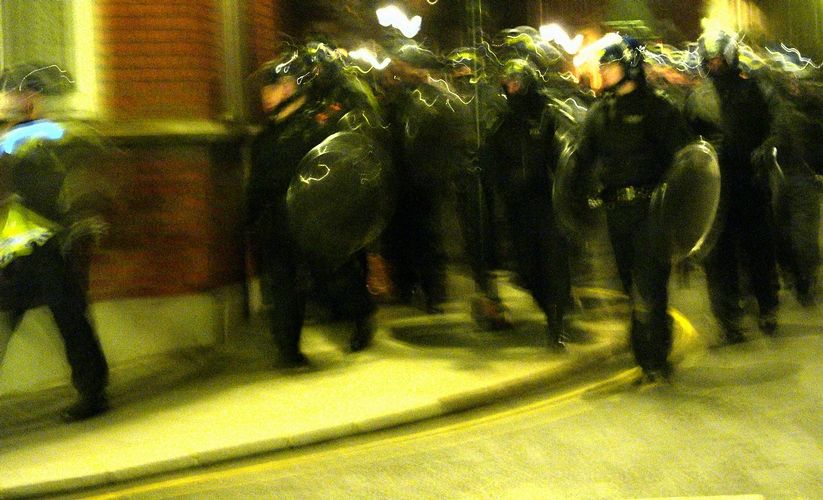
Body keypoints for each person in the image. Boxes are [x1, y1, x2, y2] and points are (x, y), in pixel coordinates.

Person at [246, 44, 381, 367]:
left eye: (273, 87)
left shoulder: (320, 127)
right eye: (265, 88)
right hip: (277, 224)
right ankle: (289, 351)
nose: (266, 95)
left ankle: (362, 315)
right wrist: (250, 220)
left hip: (315, 221)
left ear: (292, 86)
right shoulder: (267, 136)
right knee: (282, 289)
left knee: (332, 278)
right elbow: (258, 184)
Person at [573, 37, 691, 381]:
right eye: (603, 67)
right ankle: (654, 338)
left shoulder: (658, 110)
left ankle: (652, 360)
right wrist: (576, 193)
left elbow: (685, 160)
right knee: (631, 286)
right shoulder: (599, 113)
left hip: (651, 212)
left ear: (630, 67)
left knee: (647, 286)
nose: (604, 72)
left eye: (610, 66)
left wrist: (679, 211)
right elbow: (582, 158)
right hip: (616, 214)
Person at [0, 64, 110, 421]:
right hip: (16, 248)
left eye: (17, 94)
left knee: (70, 317)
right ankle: (93, 389)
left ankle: (93, 392)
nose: (11, 100)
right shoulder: (12, 138)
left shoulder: (49, 137)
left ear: (34, 97)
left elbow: (62, 185)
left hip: (50, 245)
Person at [684, 31, 784, 342]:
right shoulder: (696, 98)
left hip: (750, 182)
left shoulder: (755, 90)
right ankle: (727, 317)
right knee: (719, 257)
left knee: (760, 250)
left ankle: (767, 306)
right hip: (715, 189)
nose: (714, 65)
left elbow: (778, 122)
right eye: (710, 60)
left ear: (730, 57)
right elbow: (684, 139)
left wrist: (768, 146)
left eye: (719, 59)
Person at [482, 58, 571, 350]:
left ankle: (556, 322)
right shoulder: (502, 121)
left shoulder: (546, 114)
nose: (511, 87)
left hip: (546, 204)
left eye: (516, 81)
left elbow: (561, 155)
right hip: (517, 208)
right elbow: (489, 160)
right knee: (527, 269)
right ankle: (549, 308)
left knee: (552, 265)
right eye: (507, 82)